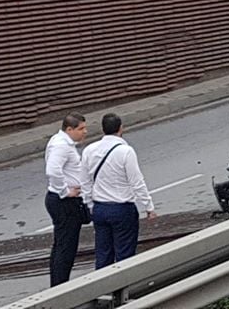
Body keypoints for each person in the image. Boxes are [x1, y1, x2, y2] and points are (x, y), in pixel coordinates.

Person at [82, 113, 157, 269]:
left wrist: (90, 205)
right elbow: (136, 182)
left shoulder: (89, 150)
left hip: (100, 209)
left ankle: (102, 288)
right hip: (122, 209)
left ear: (103, 129)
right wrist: (148, 207)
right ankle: (122, 290)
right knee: (125, 255)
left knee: (103, 255)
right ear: (121, 128)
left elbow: (85, 182)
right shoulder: (125, 151)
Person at [45, 112, 89, 286]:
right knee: (66, 248)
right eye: (81, 129)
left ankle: (58, 285)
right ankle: (59, 287)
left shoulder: (62, 142)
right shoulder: (61, 146)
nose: (85, 132)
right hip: (64, 202)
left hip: (61, 200)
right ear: (69, 129)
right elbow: (53, 170)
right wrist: (65, 191)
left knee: (61, 246)